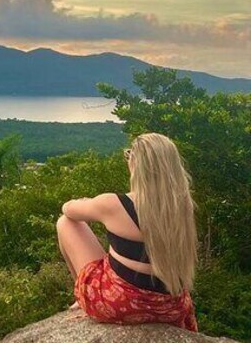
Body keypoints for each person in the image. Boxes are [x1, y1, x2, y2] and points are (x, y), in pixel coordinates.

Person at [56, 133, 198, 331]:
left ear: (135, 165)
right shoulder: (183, 206)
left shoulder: (114, 204)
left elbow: (68, 209)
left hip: (123, 305)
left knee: (65, 223)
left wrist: (87, 202)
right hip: (169, 306)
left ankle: (82, 297)